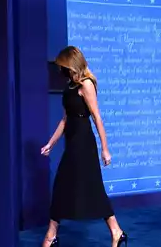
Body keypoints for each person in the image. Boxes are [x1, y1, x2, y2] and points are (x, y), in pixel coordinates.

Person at [40, 46, 128, 247]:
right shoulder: (69, 85)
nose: (60, 70)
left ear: (72, 64)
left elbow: (97, 117)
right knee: (63, 185)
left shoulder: (86, 84)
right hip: (71, 140)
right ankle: (116, 231)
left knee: (90, 187)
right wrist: (50, 144)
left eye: (63, 66)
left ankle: (52, 235)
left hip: (83, 142)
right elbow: (64, 120)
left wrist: (105, 149)